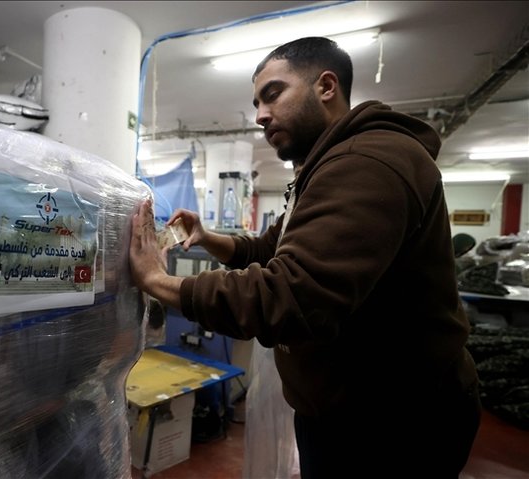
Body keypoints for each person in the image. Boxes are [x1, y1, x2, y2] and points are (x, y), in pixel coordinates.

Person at [129, 37, 481, 477]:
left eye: (273, 93)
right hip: (347, 410)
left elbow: (291, 296)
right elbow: (271, 247)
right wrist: (208, 238)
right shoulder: (324, 168)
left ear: (326, 86)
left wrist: (157, 280)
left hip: (394, 426)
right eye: (257, 103)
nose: (260, 115)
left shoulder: (367, 162)